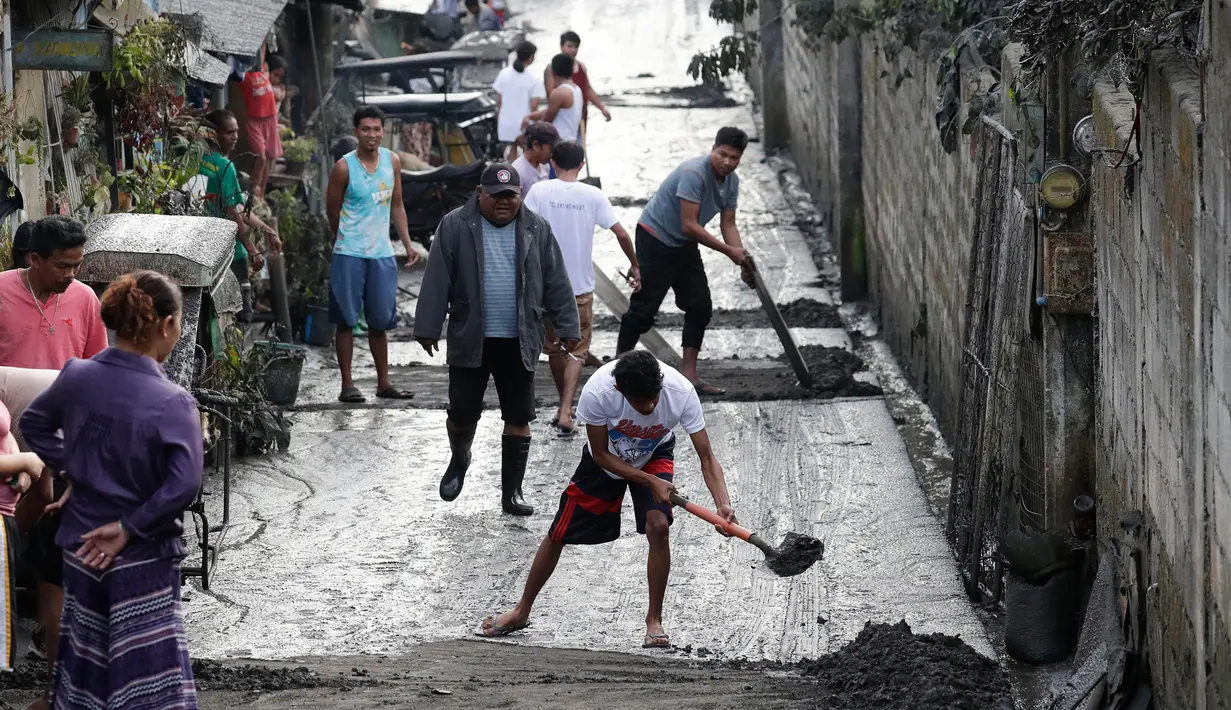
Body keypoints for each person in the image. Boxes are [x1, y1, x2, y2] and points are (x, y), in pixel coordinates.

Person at [22, 270, 202, 710]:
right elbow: (185, 483)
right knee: (147, 674)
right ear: (165, 325)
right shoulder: (172, 400)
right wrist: (129, 526)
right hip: (141, 558)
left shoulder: (77, 375)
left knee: (86, 663)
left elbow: (34, 425)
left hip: (81, 550)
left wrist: (73, 470)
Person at [478, 351, 736, 648]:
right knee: (558, 532)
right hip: (607, 459)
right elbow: (600, 454)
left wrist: (723, 504)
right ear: (620, 391)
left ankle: (654, 620)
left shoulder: (680, 392)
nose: (651, 407)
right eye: (641, 404)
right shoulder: (599, 391)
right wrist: (650, 481)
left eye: (654, 399)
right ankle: (522, 610)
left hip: (655, 453)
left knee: (659, 526)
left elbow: (707, 457)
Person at [413, 163, 579, 516]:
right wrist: (427, 326)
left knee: (519, 415)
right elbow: (437, 276)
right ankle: (460, 458)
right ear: (480, 194)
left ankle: (512, 493)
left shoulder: (536, 227)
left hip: (520, 338)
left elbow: (556, 280)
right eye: (496, 195)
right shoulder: (455, 225)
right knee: (461, 413)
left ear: (520, 196)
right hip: (470, 335)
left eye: (511, 196)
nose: (504, 202)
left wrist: (567, 326)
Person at [617, 127, 753, 395]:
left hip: (684, 244)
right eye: (722, 154)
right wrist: (729, 251)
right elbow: (689, 225)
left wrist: (741, 259)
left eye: (734, 158)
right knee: (643, 309)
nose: (727, 162)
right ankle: (617, 373)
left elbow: (729, 223)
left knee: (700, 307)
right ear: (712, 149)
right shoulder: (694, 173)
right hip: (655, 237)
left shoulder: (731, 182)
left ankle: (689, 375)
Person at [523, 140, 640, 437]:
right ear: (582, 165)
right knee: (577, 350)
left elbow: (521, 230)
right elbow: (621, 233)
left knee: (554, 350)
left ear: (552, 163)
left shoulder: (539, 192)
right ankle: (566, 408)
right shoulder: (593, 195)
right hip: (579, 288)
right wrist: (635, 264)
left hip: (546, 287)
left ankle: (564, 406)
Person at [327, 106, 419, 404]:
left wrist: (407, 243)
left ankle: (383, 382)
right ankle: (347, 384)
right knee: (346, 320)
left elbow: (398, 205)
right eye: (365, 129)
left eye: (376, 129)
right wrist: (341, 236)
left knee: (381, 321)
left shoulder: (392, 161)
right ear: (356, 132)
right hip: (349, 252)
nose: (372, 135)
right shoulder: (344, 167)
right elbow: (333, 209)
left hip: (381, 253)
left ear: (383, 130)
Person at [200, 109, 281, 322]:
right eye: (229, 132)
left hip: (204, 248)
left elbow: (239, 207)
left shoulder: (197, 161)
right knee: (238, 316)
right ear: (213, 134)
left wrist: (267, 230)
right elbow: (233, 211)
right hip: (231, 253)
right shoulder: (224, 166)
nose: (235, 137)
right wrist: (252, 249)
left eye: (236, 131)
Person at [0, 216, 108, 370]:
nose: (70, 274)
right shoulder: (3, 290)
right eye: (62, 266)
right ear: (35, 260)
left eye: (76, 265)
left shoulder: (86, 298)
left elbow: (96, 365)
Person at [544, 30, 612, 144]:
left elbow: (588, 89)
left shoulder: (581, 67)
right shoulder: (553, 68)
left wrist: (602, 108)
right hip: (564, 117)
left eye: (576, 47)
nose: (573, 50)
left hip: (580, 116)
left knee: (579, 151)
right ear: (561, 46)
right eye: (569, 46)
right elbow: (551, 95)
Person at [241, 45, 285, 199]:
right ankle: (255, 188)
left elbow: (262, 49)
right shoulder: (244, 76)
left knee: (270, 156)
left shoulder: (265, 69)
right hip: (255, 121)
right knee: (261, 157)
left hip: (271, 117)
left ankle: (261, 195)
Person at [493, 41, 546, 160]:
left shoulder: (503, 74)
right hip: (523, 126)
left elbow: (499, 102)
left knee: (511, 157)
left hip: (505, 126)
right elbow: (534, 107)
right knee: (527, 156)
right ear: (531, 57)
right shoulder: (534, 79)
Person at [523, 54, 582, 142]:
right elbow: (550, 110)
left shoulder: (559, 92)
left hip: (559, 142)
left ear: (553, 72)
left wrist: (529, 131)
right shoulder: (576, 89)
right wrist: (529, 116)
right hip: (571, 140)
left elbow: (546, 121)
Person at [512, 121, 558, 195]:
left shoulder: (545, 166)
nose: (552, 154)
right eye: (550, 149)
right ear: (535, 145)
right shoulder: (518, 172)